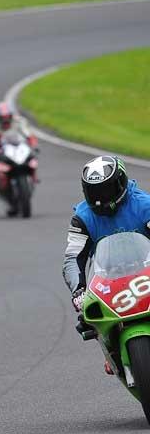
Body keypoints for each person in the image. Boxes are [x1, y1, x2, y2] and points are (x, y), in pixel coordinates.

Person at [63, 156, 150, 374]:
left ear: (121, 183)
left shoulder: (144, 205)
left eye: (106, 190)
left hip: (147, 270)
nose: (100, 199)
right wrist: (78, 290)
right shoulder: (82, 218)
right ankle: (111, 350)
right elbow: (73, 259)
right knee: (87, 315)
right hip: (110, 277)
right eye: (94, 193)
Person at [0, 101, 38, 189]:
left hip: (17, 146)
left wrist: (34, 145)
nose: (6, 121)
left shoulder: (20, 121)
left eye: (8, 118)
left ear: (12, 116)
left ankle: (33, 176)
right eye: (2, 118)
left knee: (32, 156)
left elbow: (30, 136)